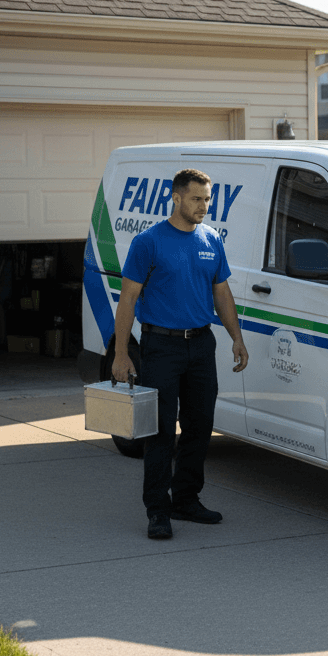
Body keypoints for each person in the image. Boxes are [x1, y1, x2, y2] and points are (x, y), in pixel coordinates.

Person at [111, 168, 248, 540]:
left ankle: (186, 499)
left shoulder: (211, 239)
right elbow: (128, 299)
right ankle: (158, 510)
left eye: (207, 199)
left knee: (199, 426)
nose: (203, 206)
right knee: (160, 432)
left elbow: (221, 292)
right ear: (176, 198)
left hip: (201, 344)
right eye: (196, 199)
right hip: (161, 346)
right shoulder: (148, 242)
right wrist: (121, 353)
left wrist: (236, 337)